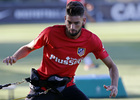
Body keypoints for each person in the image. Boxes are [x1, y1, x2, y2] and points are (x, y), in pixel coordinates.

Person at [3, 1, 119, 100]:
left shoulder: (91, 40)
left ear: (84, 21)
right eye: (69, 22)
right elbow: (29, 48)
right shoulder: (50, 33)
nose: (72, 27)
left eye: (76, 23)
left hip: (66, 87)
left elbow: (112, 66)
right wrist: (15, 57)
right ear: (65, 19)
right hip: (43, 87)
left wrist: (114, 85)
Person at [67, 0, 97, 70]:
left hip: (78, 23)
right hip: (76, 23)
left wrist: (87, 4)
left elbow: (81, 4)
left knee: (80, 44)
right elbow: (79, 10)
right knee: (79, 44)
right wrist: (90, 18)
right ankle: (88, 63)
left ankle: (88, 63)